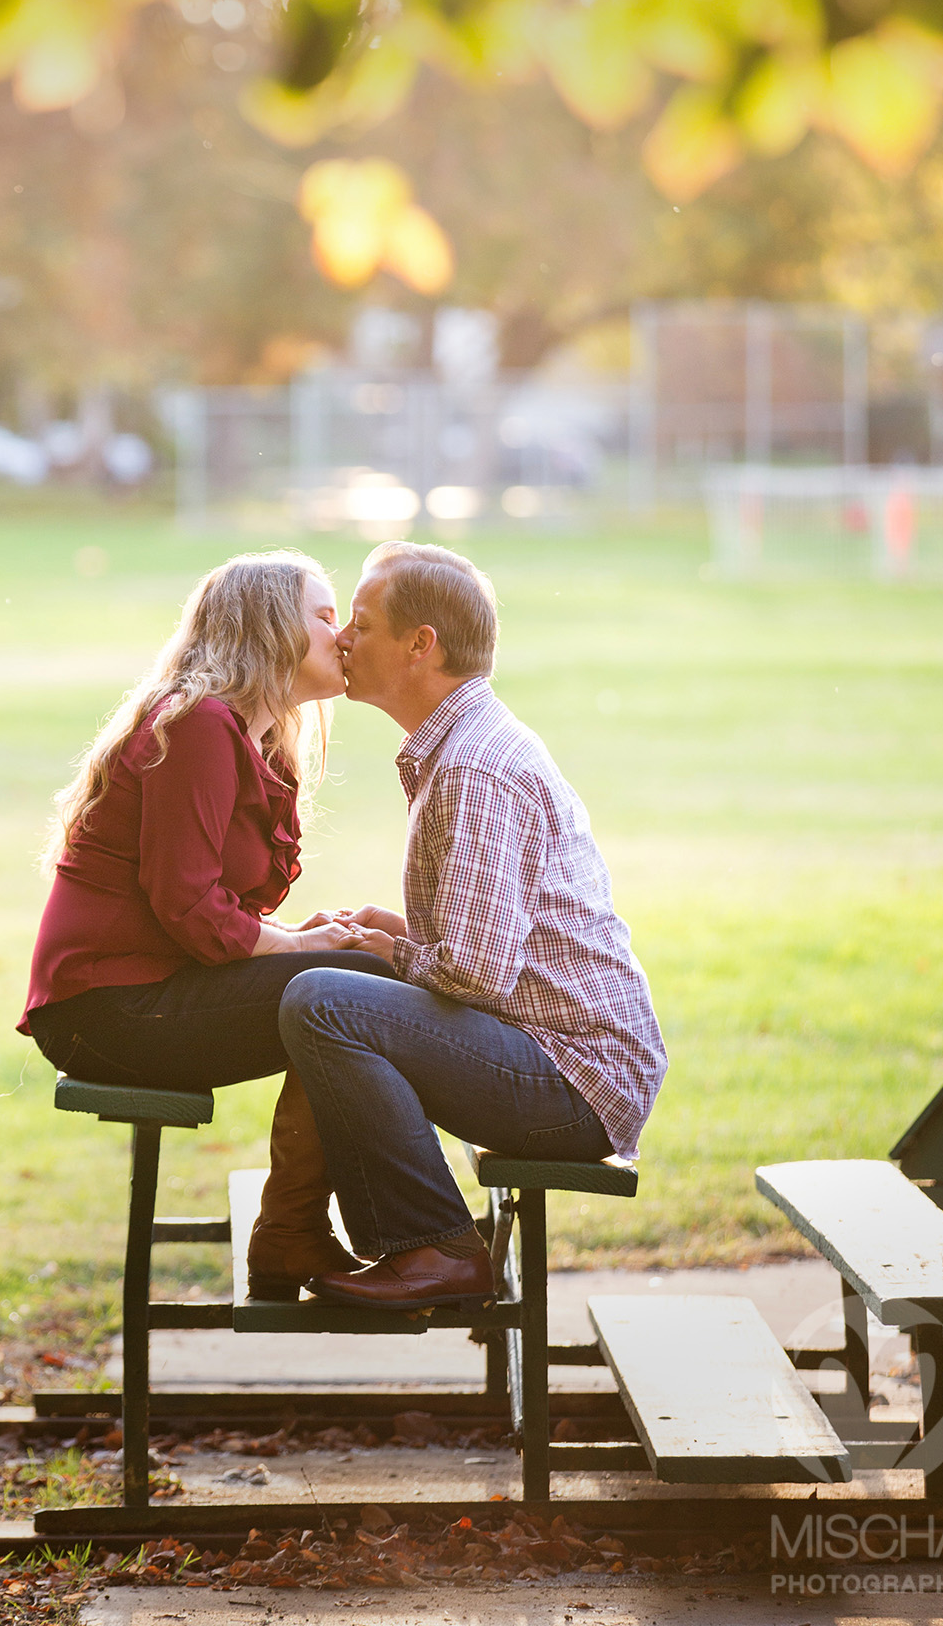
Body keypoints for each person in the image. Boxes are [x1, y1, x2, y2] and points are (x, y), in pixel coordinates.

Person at [278, 541, 668, 1312]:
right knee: (336, 986)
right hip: (555, 1055)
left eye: (360, 623)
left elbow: (475, 976)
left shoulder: (472, 766)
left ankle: (436, 1248)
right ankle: (291, 1231)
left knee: (322, 1001)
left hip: (573, 1080)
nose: (342, 640)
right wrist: (393, 940)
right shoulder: (463, 745)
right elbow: (484, 951)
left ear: (421, 644)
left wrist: (393, 949)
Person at [19, 550, 390, 1299]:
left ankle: (306, 1230)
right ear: (267, 628)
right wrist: (290, 947)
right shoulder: (196, 725)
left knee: (355, 983)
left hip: (151, 991)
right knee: (360, 991)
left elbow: (203, 907)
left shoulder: (251, 736)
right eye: (322, 615)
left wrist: (294, 939)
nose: (342, 631)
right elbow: (186, 906)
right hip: (106, 1011)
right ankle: (308, 1232)